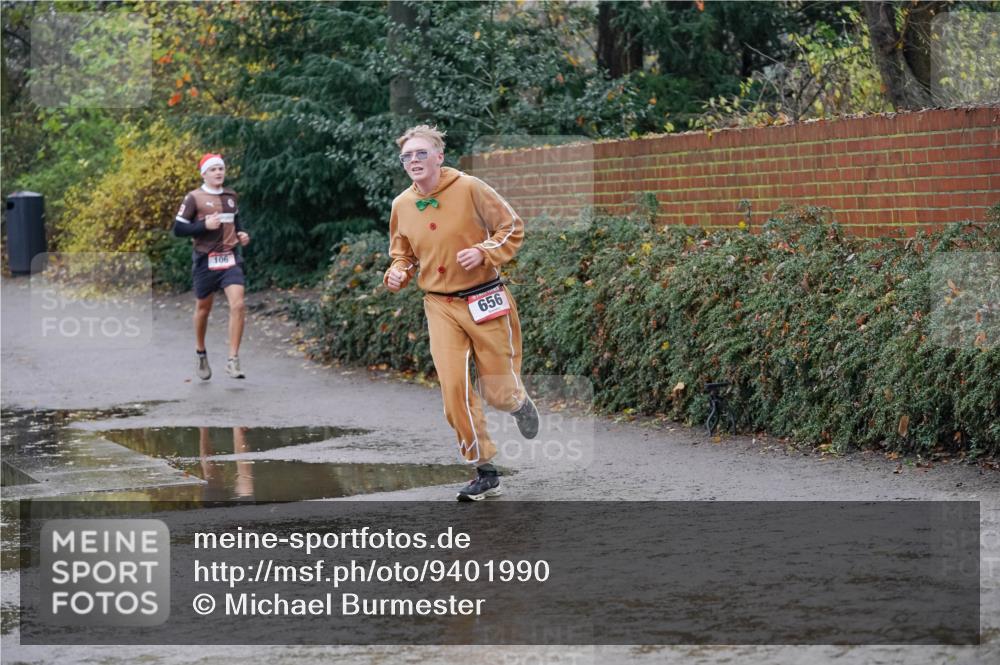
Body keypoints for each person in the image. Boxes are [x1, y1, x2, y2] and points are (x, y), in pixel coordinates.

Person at [383, 125, 538, 502]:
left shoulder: (469, 187)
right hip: (439, 304)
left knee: (498, 393)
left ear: (439, 156)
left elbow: (511, 226)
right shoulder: (402, 205)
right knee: (453, 389)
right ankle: (484, 470)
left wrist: (484, 251)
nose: (414, 161)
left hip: (484, 297)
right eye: (407, 156)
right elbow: (402, 252)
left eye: (421, 153)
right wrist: (398, 271)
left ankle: (517, 402)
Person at [173, 153, 250, 380]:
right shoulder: (194, 198)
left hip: (229, 258)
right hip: (205, 259)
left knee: (238, 305)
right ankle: (201, 352)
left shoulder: (231, 196)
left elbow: (236, 223)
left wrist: (242, 234)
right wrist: (203, 225)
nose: (218, 172)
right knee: (203, 309)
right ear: (204, 174)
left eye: (221, 169)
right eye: (213, 169)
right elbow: (178, 229)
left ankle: (233, 360)